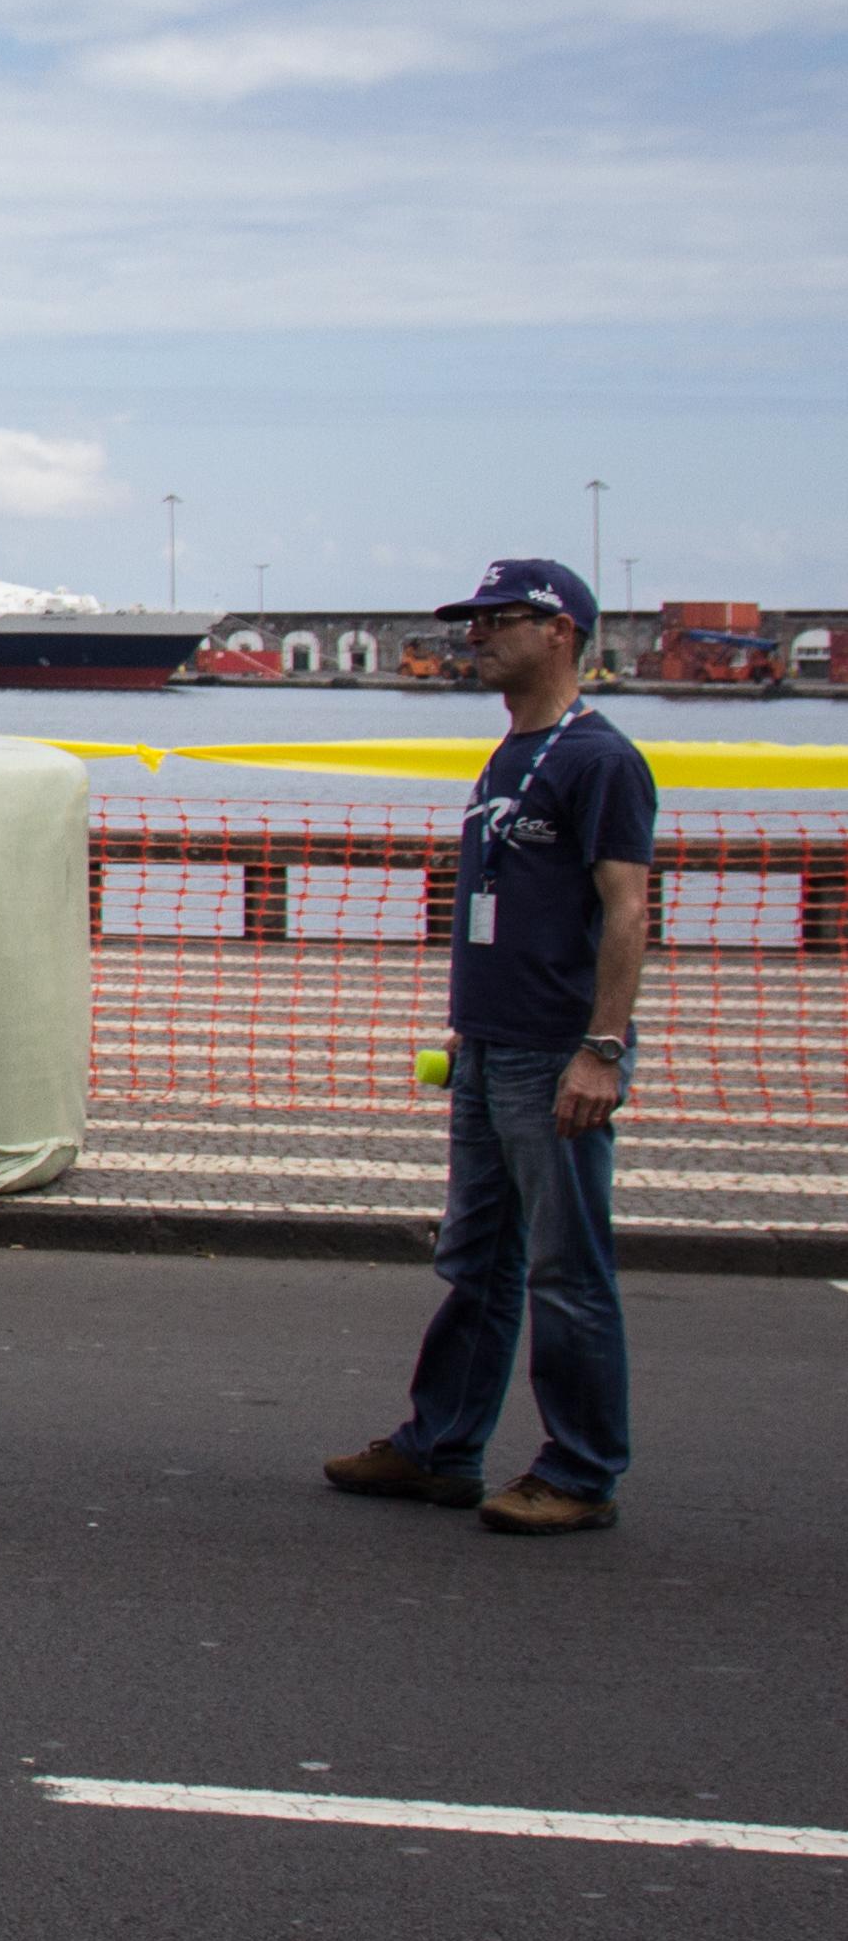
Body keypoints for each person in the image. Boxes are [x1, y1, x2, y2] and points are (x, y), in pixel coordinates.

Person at [325, 558, 654, 1538]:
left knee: (564, 1268)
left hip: (553, 1051)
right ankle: (440, 1447)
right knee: (477, 1259)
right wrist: (466, 1022)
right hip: (486, 1044)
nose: (472, 637)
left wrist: (601, 1048)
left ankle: (581, 1470)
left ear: (558, 631)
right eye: (470, 622)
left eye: (495, 620)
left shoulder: (598, 760)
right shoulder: (509, 754)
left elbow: (626, 908)